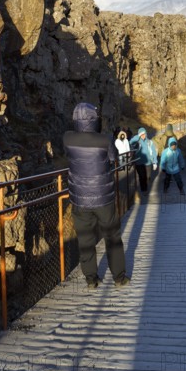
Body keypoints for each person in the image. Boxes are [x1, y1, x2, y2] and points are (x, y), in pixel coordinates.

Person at [63, 102, 129, 289]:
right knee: (113, 237)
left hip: (79, 199)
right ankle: (119, 278)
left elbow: (67, 154)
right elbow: (113, 159)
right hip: (103, 198)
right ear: (94, 119)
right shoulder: (105, 139)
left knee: (85, 239)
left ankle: (91, 280)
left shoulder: (67, 138)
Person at [130, 127, 158, 195]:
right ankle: (144, 190)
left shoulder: (149, 142)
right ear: (139, 134)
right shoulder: (136, 141)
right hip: (139, 163)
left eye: (144, 134)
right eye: (141, 134)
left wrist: (155, 162)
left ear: (146, 134)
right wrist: (137, 136)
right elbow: (130, 142)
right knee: (142, 176)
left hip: (148, 163)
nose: (143, 135)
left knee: (147, 177)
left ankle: (145, 186)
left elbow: (153, 152)